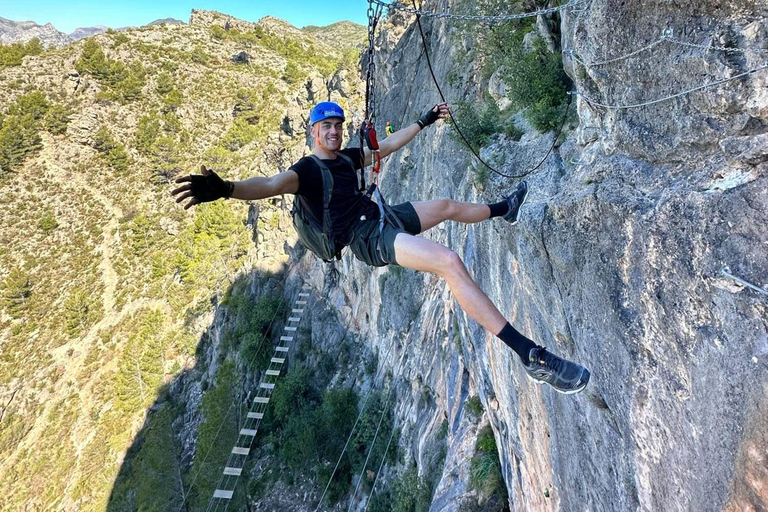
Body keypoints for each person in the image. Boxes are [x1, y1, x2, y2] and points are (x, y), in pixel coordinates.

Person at [172, 101, 590, 394]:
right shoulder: (307, 170)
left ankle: (505, 209)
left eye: (338, 124)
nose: (334, 131)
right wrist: (225, 189)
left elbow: (388, 146)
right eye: (326, 127)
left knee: (445, 205)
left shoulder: (348, 157)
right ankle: (530, 355)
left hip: (379, 215)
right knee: (447, 261)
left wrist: (423, 121)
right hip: (367, 238)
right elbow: (267, 186)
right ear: (314, 133)